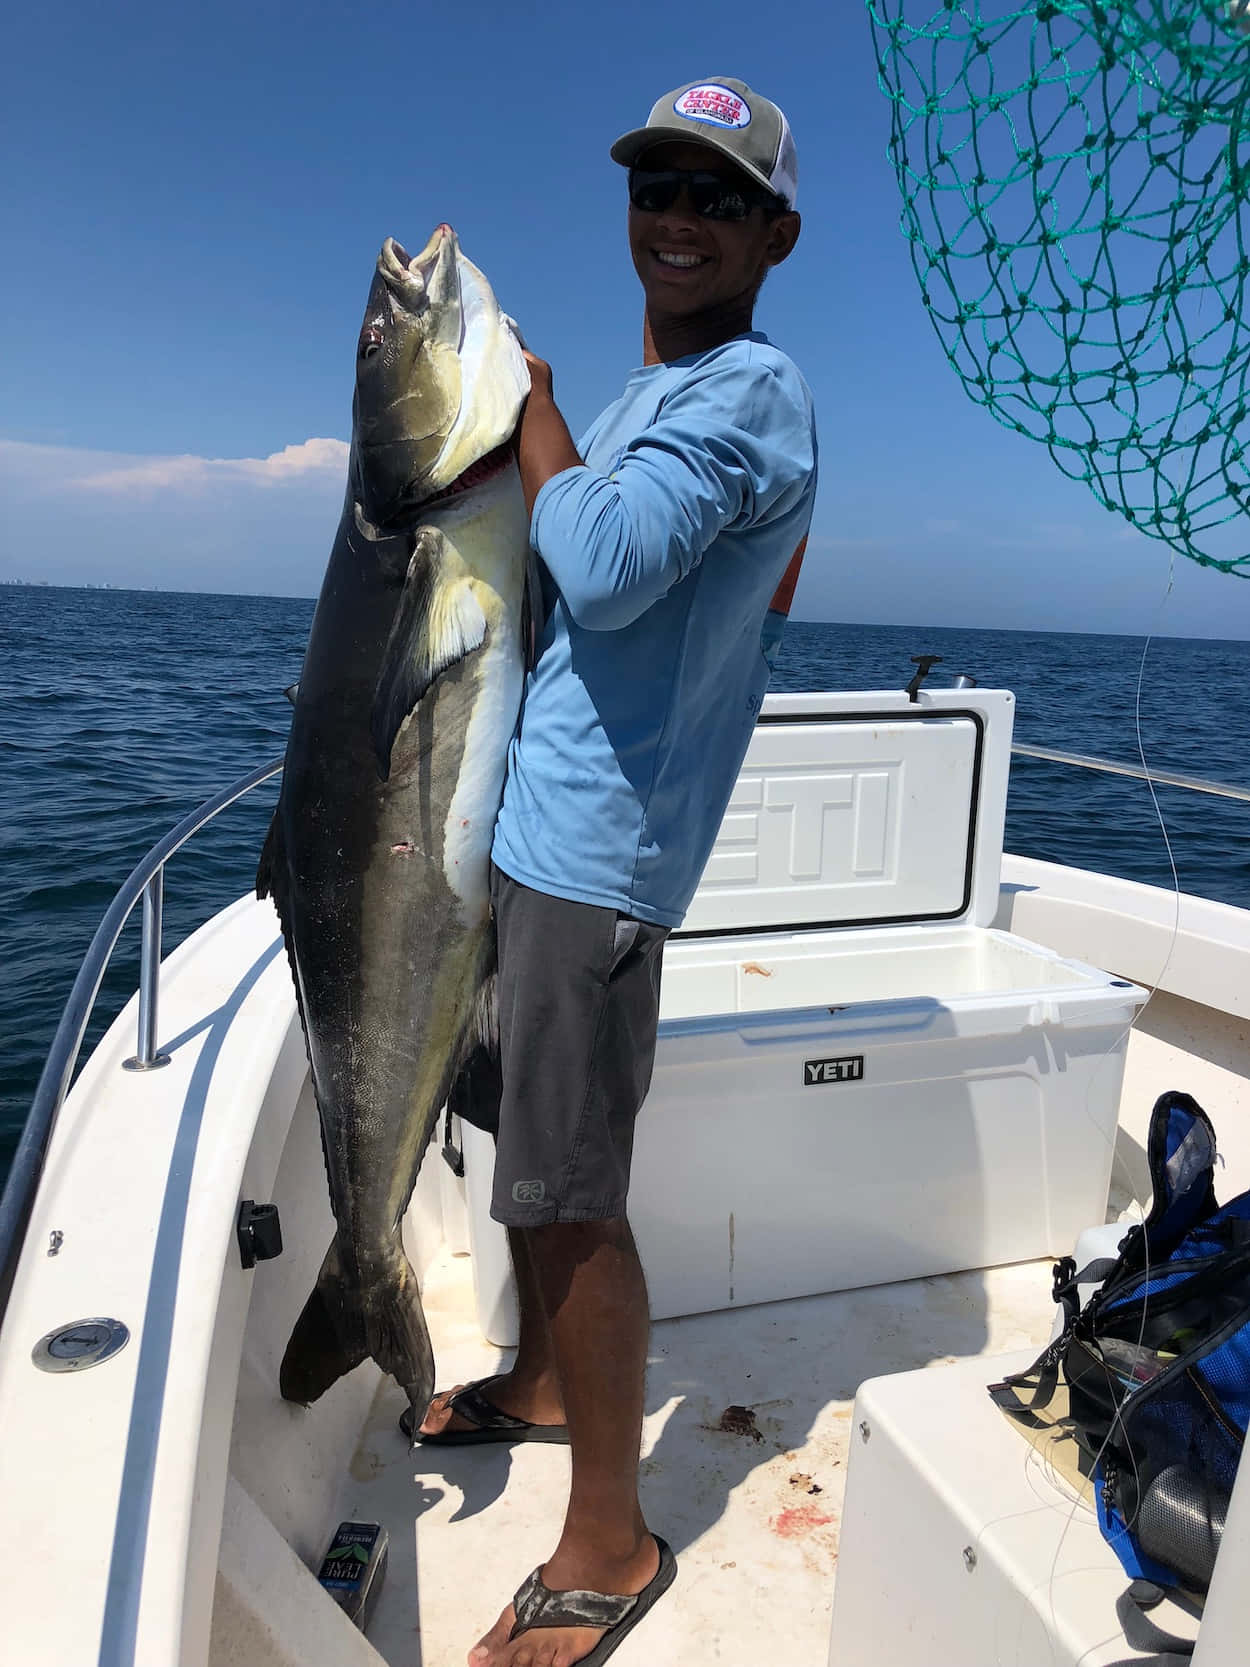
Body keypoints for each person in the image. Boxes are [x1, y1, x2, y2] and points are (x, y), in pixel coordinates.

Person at [422, 77, 818, 1667]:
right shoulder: (667, 404)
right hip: (523, 833)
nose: (678, 216)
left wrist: (525, 400)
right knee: (521, 1144)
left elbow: (595, 558)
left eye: (717, 197)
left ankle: (610, 1538)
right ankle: (528, 1386)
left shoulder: (748, 394)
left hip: (596, 863)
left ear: (773, 234)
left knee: (572, 1197)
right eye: (657, 182)